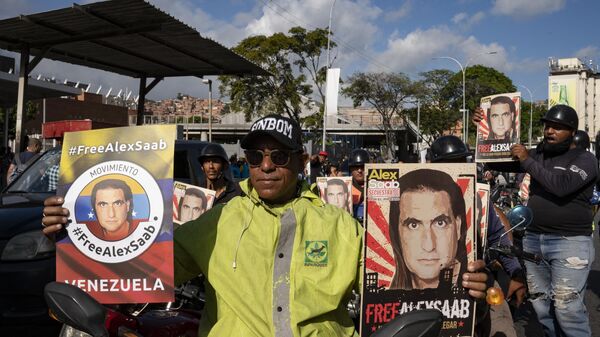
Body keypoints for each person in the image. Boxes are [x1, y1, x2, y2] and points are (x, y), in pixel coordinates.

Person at [43, 114, 490, 337]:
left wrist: (464, 283)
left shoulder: (343, 227)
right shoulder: (216, 221)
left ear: (300, 161)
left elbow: (399, 291)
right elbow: (136, 268)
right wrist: (72, 234)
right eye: (255, 156)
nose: (266, 166)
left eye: (279, 156)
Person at [473, 104, 598, 337]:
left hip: (569, 242)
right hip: (533, 241)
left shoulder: (584, 159)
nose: (550, 131)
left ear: (572, 131)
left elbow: (561, 187)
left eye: (558, 127)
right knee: (542, 307)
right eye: (548, 126)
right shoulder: (538, 154)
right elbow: (493, 161)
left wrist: (527, 160)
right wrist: (483, 129)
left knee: (568, 308)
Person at [430, 135, 524, 337]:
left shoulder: (479, 196)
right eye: (448, 164)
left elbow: (497, 234)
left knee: (504, 327)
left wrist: (515, 272)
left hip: (480, 280)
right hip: (426, 287)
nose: (456, 168)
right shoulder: (417, 197)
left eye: (460, 162)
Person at [388, 168, 466, 290]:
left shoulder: (477, 287)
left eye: (440, 223)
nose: (429, 245)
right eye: (413, 225)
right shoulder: (386, 297)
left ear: (458, 226)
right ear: (397, 233)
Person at [349, 149, 369, 221]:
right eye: (356, 167)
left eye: (362, 167)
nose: (360, 170)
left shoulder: (376, 185)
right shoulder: (345, 187)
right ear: (351, 169)